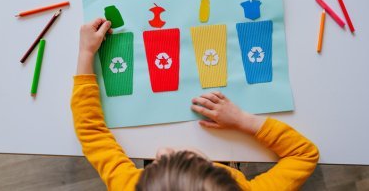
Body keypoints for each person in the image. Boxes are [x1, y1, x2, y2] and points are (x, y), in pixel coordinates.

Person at [71, 18, 319, 191]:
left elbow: (92, 134)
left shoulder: (131, 186)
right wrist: (244, 121)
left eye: (156, 165)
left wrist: (85, 55)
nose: (162, 151)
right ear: (222, 175)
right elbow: (304, 155)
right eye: (183, 158)